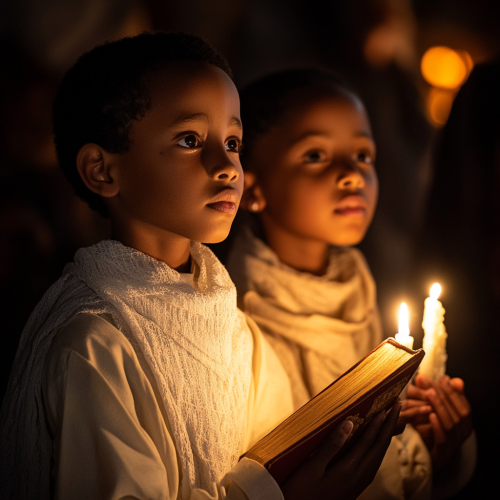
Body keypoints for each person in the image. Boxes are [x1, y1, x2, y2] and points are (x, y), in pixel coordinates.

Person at [0, 33, 402, 500]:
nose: (228, 164)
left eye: (233, 141)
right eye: (190, 140)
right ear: (102, 171)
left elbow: (280, 454)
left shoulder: (236, 331)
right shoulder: (93, 345)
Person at [226, 68, 475, 499]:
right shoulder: (236, 325)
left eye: (363, 155)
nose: (352, 174)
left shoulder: (358, 293)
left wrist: (432, 446)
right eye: (316, 156)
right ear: (252, 187)